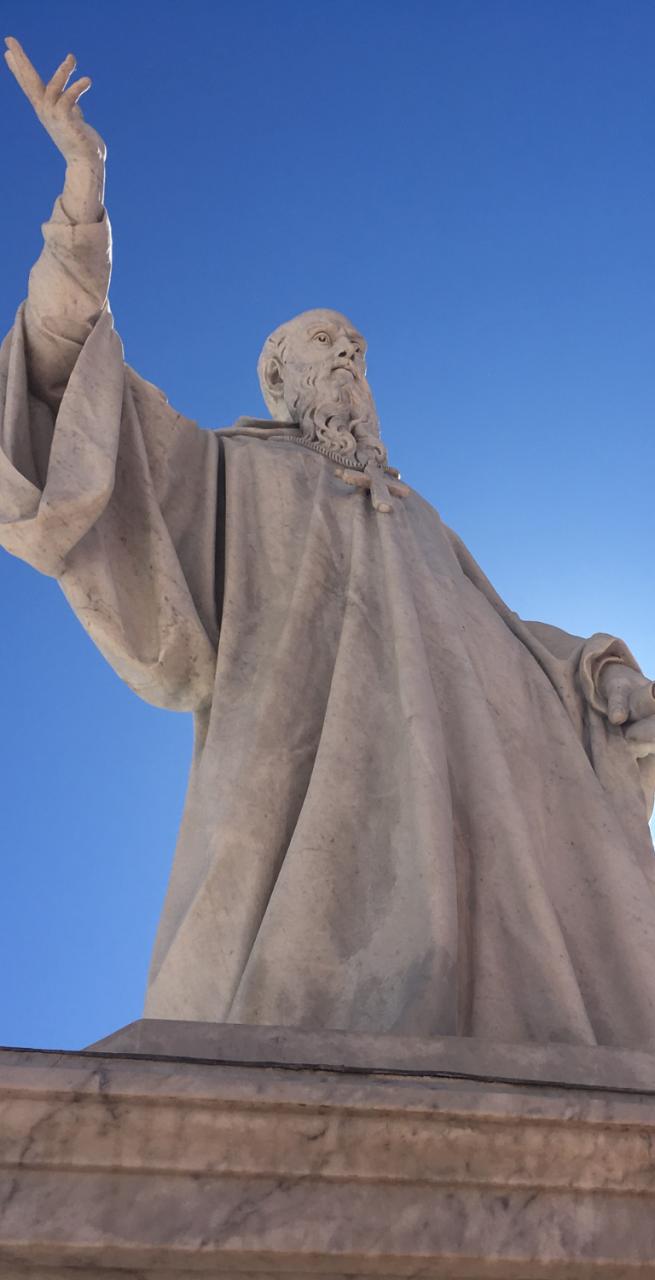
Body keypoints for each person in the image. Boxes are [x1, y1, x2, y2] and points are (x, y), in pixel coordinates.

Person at [3, 38, 655, 1047]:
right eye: (323, 344)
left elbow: (500, 648)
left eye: (355, 347)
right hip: (298, 830)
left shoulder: (421, 522)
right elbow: (72, 395)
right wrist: (81, 205)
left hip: (467, 845)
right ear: (279, 380)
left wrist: (591, 673)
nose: (347, 358)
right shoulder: (237, 471)